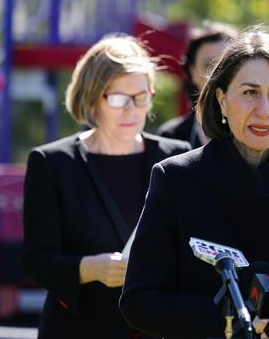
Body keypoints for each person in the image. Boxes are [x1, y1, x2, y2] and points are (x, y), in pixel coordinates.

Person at [119, 26, 269, 339]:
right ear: (221, 99)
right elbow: (140, 302)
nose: (264, 110)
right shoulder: (176, 178)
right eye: (249, 93)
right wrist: (238, 317)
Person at [22, 34, 191, 339]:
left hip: (157, 328)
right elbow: (37, 260)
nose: (132, 109)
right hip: (80, 329)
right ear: (92, 98)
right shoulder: (52, 162)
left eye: (141, 96)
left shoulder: (176, 156)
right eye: (117, 98)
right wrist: (92, 268)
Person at [157, 22, 239, 148]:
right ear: (191, 72)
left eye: (226, 65)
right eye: (208, 65)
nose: (217, 74)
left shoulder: (254, 131)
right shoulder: (171, 136)